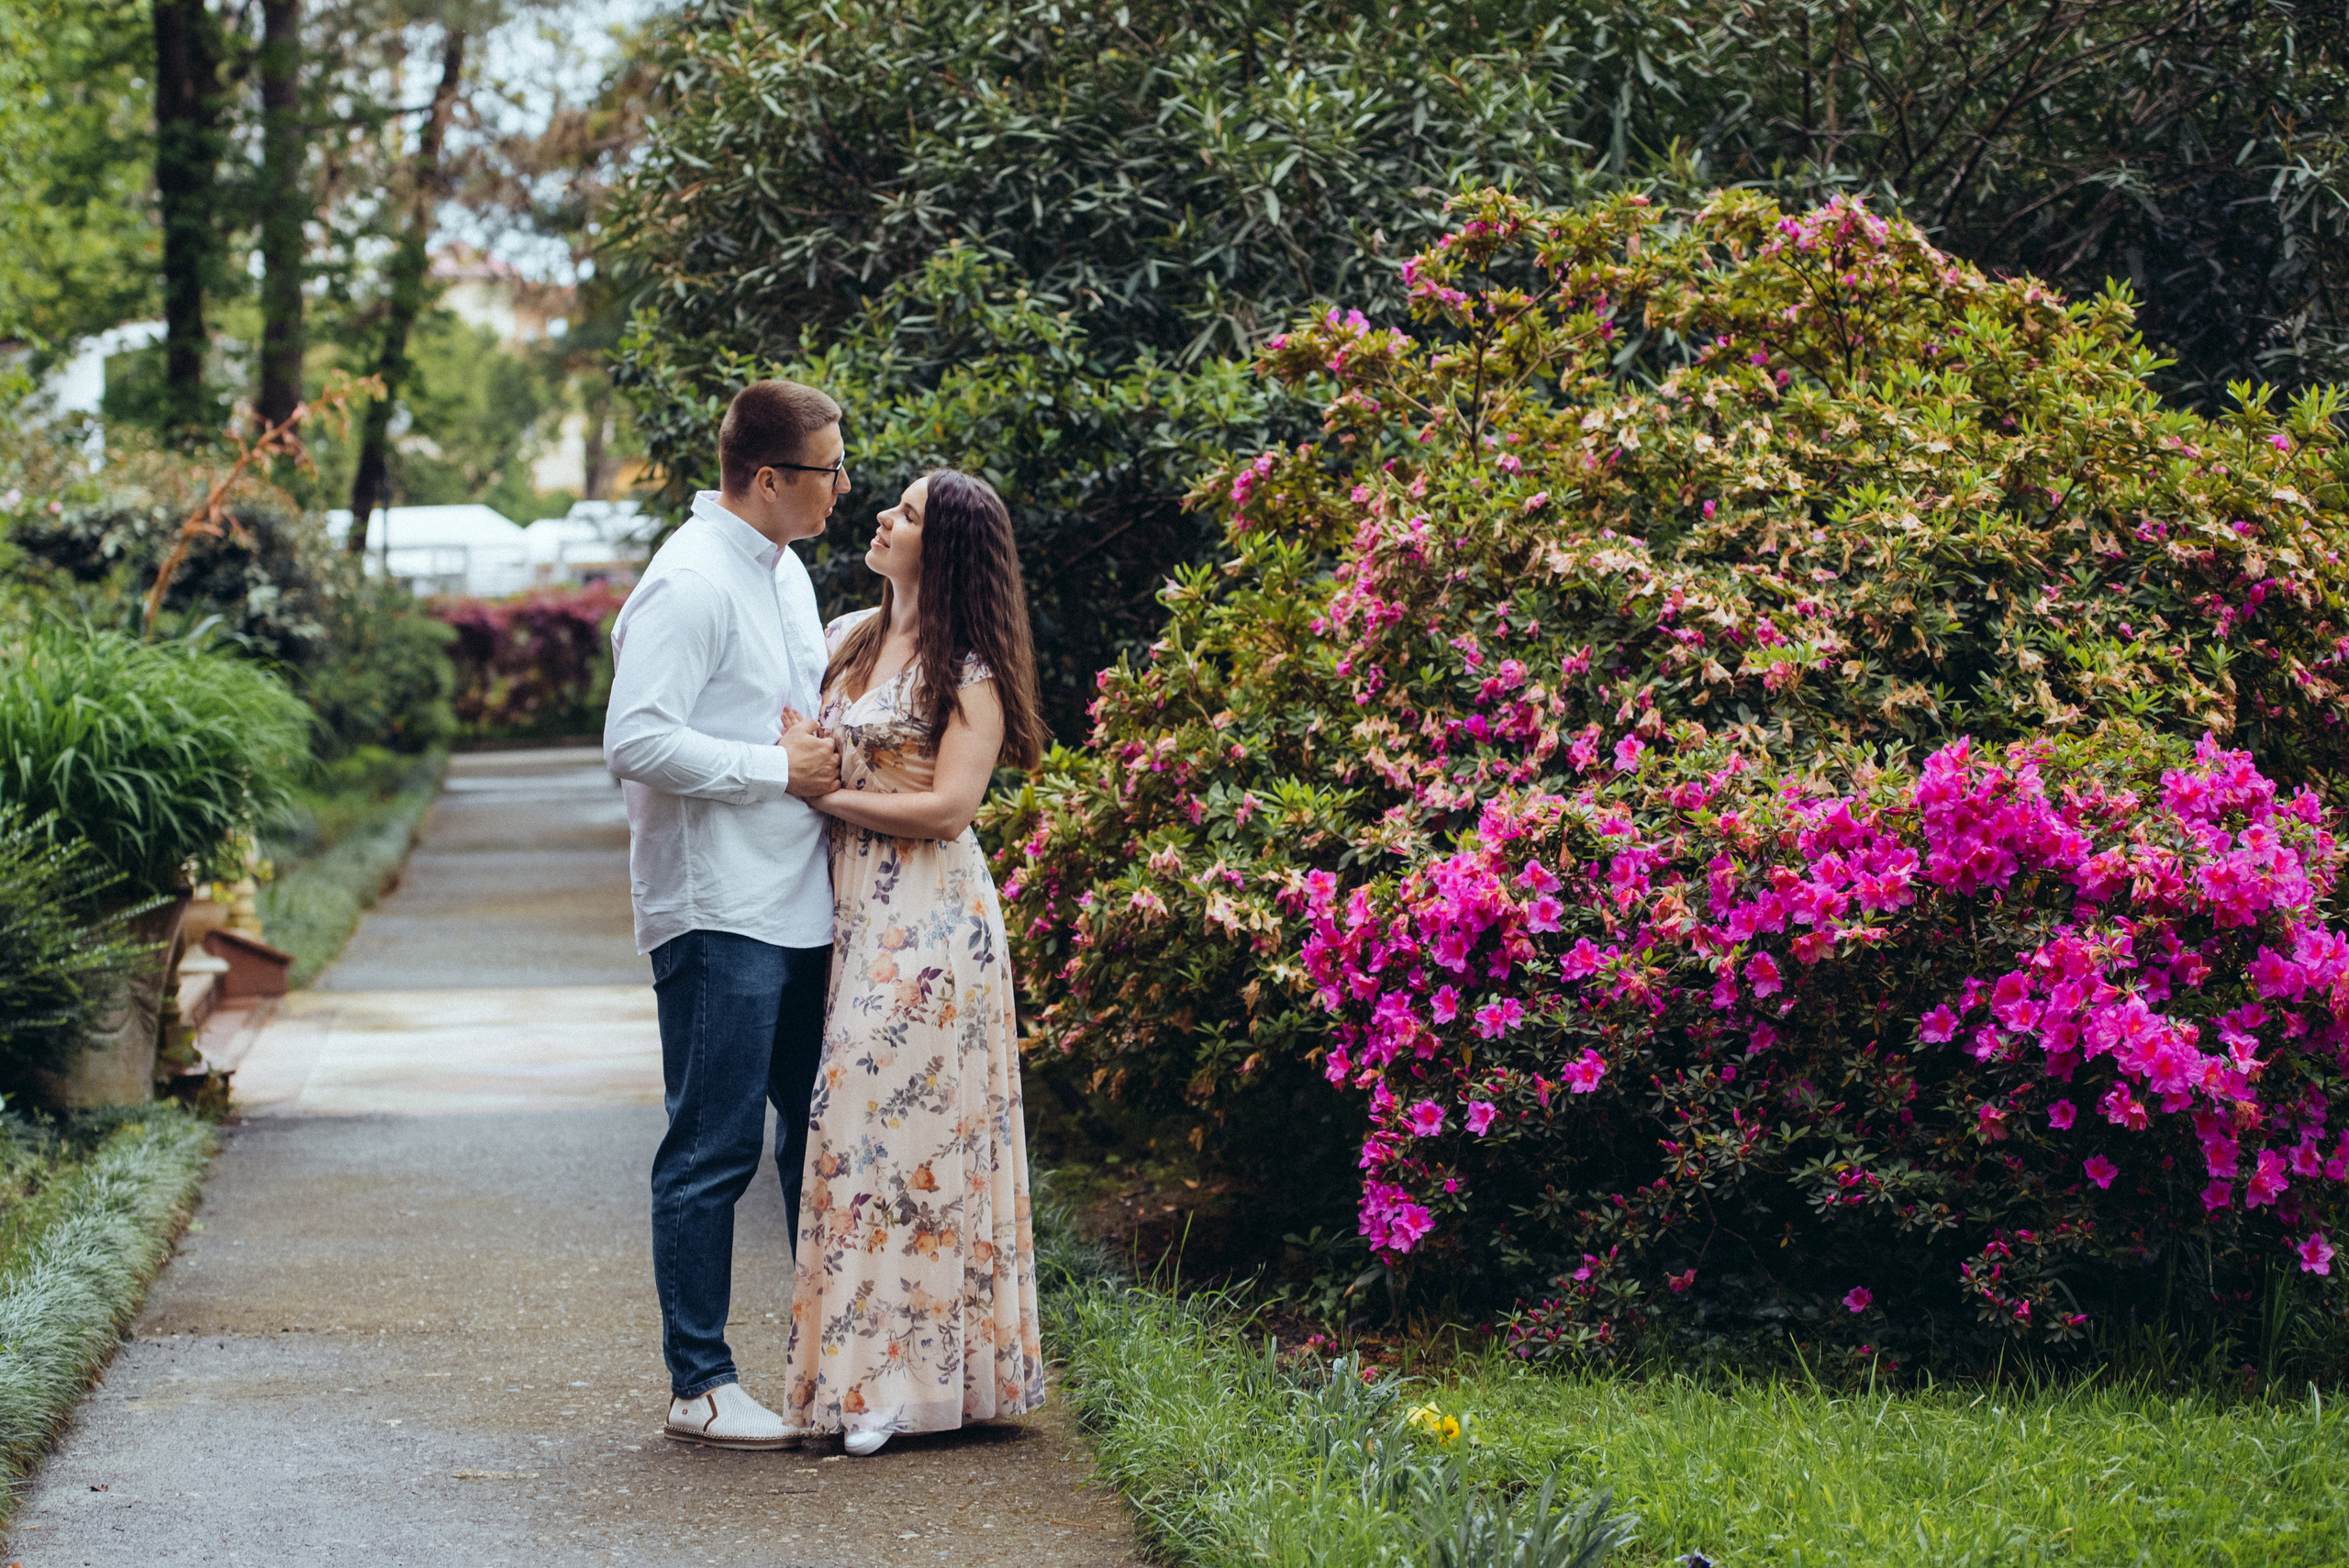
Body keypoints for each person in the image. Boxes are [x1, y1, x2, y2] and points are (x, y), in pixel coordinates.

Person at [784, 469, 1052, 1456]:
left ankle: (904, 1387)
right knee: (858, 1142)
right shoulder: (848, 632)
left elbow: (948, 808)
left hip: (932, 921)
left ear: (938, 549)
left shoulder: (966, 668)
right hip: (849, 909)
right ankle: (866, 1374)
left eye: (903, 514)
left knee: (886, 1130)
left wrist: (827, 801)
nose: (882, 519)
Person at [604, 379, 847, 1451]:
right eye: (828, 469)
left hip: (797, 900)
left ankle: (822, 1361)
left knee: (813, 1136)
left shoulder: (783, 571)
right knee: (712, 1147)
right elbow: (635, 738)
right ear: (766, 479)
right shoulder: (689, 580)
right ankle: (698, 1382)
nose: (844, 486)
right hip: (717, 909)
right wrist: (774, 766)